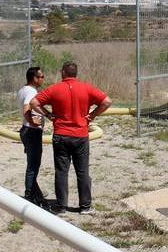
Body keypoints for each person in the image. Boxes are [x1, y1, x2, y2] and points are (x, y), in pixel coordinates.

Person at [30, 62, 111, 214]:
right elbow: (107, 101)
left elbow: (34, 102)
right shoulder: (86, 88)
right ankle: (85, 206)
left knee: (61, 171)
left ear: (63, 73)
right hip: (80, 135)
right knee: (82, 172)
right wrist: (92, 115)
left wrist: (48, 114)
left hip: (61, 135)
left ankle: (61, 207)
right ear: (76, 73)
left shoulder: (55, 89)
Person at [17, 67, 47, 207]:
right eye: (41, 77)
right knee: (33, 166)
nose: (42, 79)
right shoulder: (31, 91)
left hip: (26, 131)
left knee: (32, 164)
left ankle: (36, 193)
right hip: (31, 132)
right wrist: (32, 121)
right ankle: (29, 196)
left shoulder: (22, 90)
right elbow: (26, 108)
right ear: (34, 78)